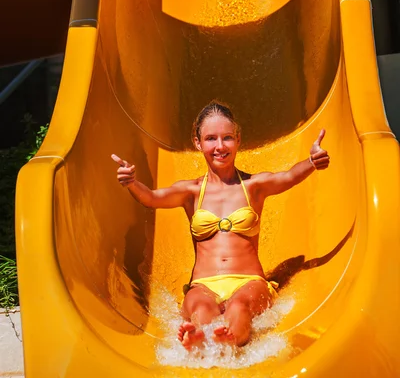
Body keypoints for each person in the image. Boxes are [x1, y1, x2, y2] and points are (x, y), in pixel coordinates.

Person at [111, 101, 329, 349]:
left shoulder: (253, 186)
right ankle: (198, 338)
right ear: (198, 143)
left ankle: (229, 338)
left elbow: (288, 176)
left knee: (239, 306)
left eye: (227, 138)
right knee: (201, 308)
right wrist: (131, 182)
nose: (220, 146)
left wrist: (312, 162)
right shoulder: (191, 191)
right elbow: (151, 198)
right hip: (203, 284)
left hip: (249, 281)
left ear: (238, 139)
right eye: (211, 138)